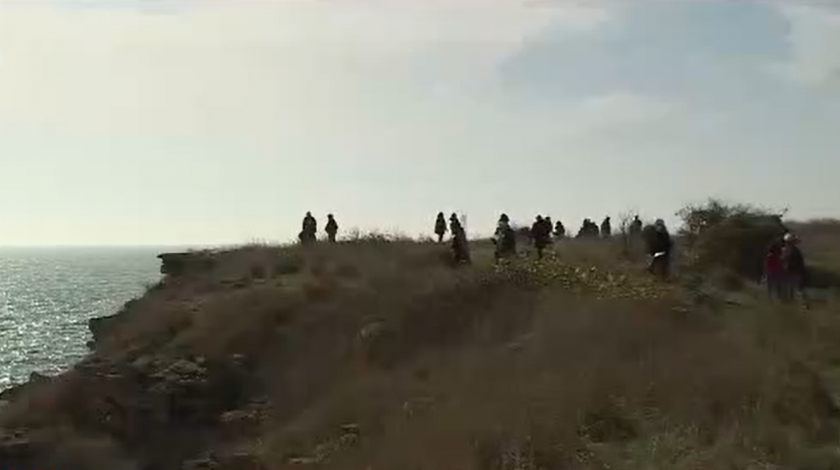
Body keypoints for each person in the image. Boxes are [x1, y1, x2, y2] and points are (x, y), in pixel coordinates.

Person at [781, 232, 808, 305]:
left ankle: (801, 304)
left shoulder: (788, 250)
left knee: (795, 290)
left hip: (794, 272)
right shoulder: (790, 250)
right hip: (794, 272)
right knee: (795, 290)